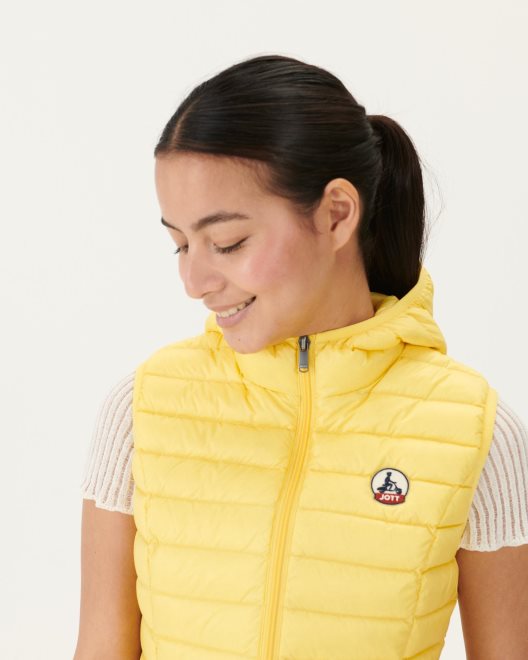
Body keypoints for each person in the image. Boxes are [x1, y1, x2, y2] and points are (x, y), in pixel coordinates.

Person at [74, 54, 528, 659]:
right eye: (180, 245)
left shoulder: (474, 430)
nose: (194, 282)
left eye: (227, 242)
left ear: (336, 213)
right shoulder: (141, 409)